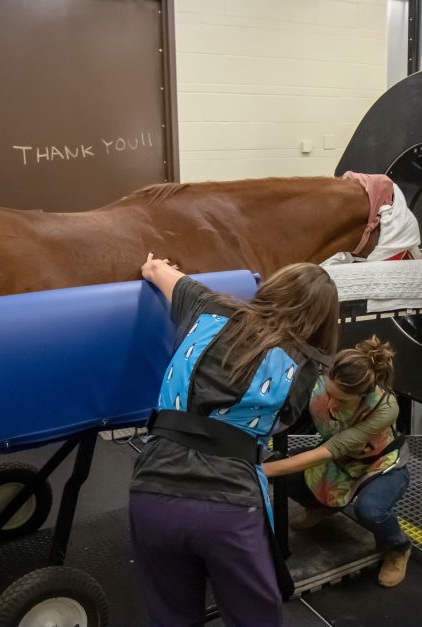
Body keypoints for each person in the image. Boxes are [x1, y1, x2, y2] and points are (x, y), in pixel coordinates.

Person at [129, 253, 339, 627]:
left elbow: (156, 269)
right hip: (228, 507)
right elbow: (277, 426)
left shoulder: (207, 304)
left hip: (151, 489)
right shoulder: (305, 368)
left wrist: (156, 264)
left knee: (171, 618)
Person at [263, 336, 412, 588]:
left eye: (341, 401)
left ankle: (398, 548)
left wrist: (259, 470)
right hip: (342, 461)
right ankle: (324, 507)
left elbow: (331, 449)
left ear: (363, 395)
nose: (330, 403)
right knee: (287, 479)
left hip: (378, 464)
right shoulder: (318, 382)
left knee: (371, 511)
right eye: (329, 393)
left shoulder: (386, 408)